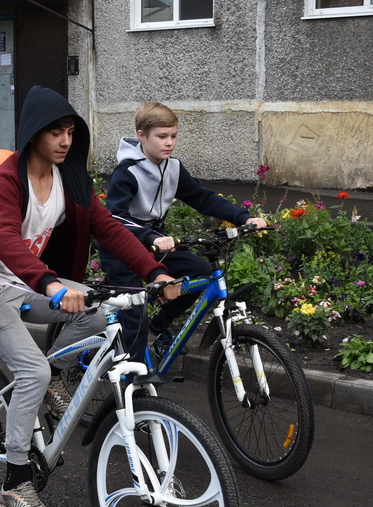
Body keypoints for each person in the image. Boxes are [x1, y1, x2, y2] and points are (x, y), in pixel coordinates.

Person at [0, 87, 179, 507]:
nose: (65, 140)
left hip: (31, 285)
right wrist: (49, 281)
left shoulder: (69, 178)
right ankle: (13, 481)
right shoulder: (6, 181)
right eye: (55, 131)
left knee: (97, 313)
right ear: (33, 134)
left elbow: (108, 229)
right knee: (32, 369)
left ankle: (50, 383)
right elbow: (7, 240)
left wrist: (153, 271)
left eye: (70, 131)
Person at [103, 103, 267, 360]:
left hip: (156, 244)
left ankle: (160, 323)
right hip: (123, 249)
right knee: (135, 320)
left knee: (199, 271)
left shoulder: (173, 168)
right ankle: (132, 385)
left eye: (173, 136)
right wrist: (152, 237)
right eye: (161, 136)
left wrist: (243, 217)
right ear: (142, 136)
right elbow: (115, 219)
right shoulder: (127, 172)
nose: (169, 143)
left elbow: (203, 198)